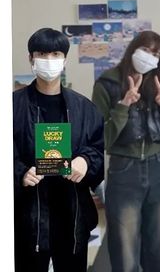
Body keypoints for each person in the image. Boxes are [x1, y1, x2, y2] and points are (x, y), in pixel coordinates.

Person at [13, 28, 104, 272]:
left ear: (64, 60)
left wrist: (86, 161)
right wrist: (20, 173)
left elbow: (98, 151)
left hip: (72, 219)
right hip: (27, 222)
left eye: (55, 54)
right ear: (31, 59)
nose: (49, 60)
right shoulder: (12, 107)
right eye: (41, 54)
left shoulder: (85, 108)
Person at [92, 31, 160, 272]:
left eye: (155, 54)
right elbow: (100, 140)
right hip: (124, 170)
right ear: (133, 49)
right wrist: (124, 105)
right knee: (125, 254)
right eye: (145, 50)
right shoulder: (106, 83)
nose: (149, 57)